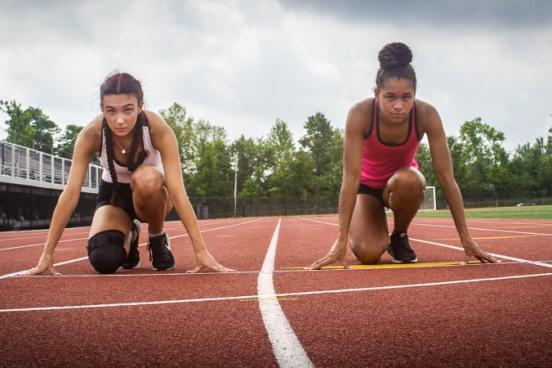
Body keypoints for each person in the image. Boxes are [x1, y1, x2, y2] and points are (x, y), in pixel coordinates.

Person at [309, 42, 497, 270]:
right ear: (376, 94)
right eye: (390, 97)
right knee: (368, 254)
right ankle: (359, 232)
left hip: (401, 185)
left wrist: (467, 241)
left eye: (407, 97)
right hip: (366, 189)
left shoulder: (426, 115)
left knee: (411, 179)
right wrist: (341, 241)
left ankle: (398, 236)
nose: (399, 105)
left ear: (415, 95)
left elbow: (447, 178)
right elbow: (350, 178)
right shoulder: (360, 114)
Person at [25, 72, 234, 275]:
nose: (119, 120)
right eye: (111, 111)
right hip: (115, 195)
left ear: (140, 107)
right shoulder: (92, 134)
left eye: (128, 110)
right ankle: (131, 235)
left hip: (153, 194)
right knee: (103, 261)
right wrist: (47, 254)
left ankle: (157, 236)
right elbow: (70, 194)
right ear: (102, 109)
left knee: (144, 178)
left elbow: (178, 193)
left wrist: (201, 251)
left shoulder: (157, 129)